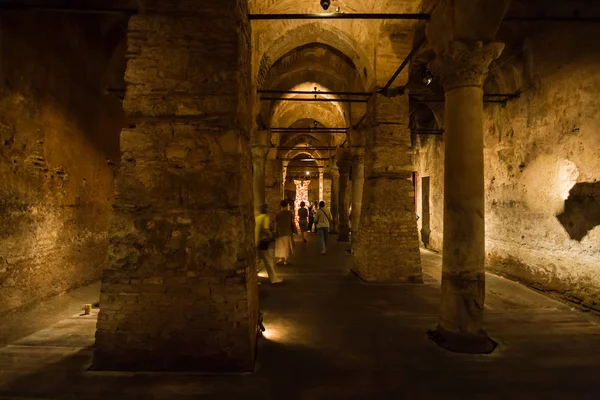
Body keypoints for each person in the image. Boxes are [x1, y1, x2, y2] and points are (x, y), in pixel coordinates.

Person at [255, 204, 282, 284]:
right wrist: (271, 235)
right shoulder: (265, 217)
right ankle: (274, 279)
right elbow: (266, 229)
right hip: (262, 242)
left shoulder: (257, 217)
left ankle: (254, 279)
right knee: (269, 260)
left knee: (257, 261)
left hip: (256, 241)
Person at [275, 200, 296, 265]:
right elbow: (292, 222)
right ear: (286, 206)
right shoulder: (289, 213)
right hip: (287, 231)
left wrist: (275, 231)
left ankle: (280, 258)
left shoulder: (278, 213)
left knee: (280, 245)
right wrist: (294, 230)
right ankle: (286, 260)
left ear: (280, 206)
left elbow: (276, 223)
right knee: (286, 246)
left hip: (280, 232)